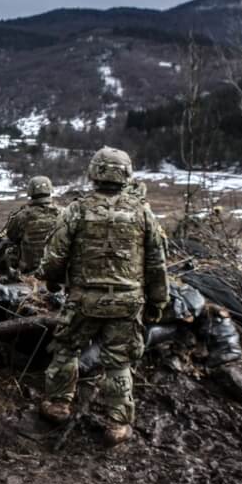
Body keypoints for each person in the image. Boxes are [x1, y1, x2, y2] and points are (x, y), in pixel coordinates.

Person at [37, 147, 168, 445]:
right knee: (118, 362)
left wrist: (53, 283)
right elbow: (156, 263)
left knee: (66, 349)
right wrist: (158, 303)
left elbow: (55, 256)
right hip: (127, 301)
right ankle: (117, 424)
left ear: (94, 172)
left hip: (84, 299)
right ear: (126, 174)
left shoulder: (77, 209)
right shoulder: (143, 212)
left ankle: (58, 405)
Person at [3, 176, 60, 274]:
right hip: (56, 266)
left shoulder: (22, 215)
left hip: (30, 268)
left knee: (9, 250)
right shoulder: (62, 213)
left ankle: (15, 274)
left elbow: (11, 236)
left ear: (30, 192)